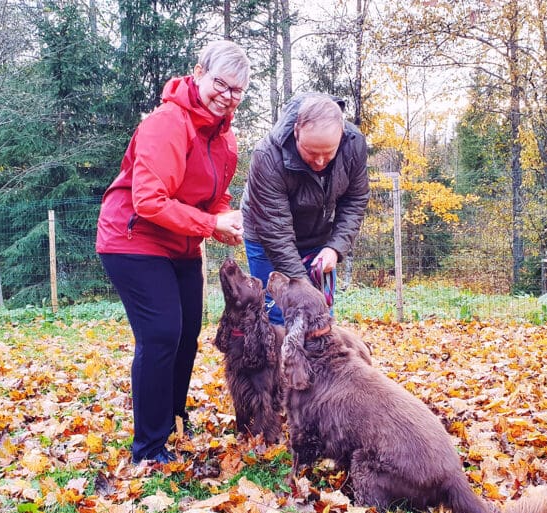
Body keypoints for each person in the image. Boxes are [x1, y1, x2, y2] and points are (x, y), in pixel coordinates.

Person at [96, 40, 249, 465]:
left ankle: (174, 417)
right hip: (132, 237)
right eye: (220, 83)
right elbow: (149, 201)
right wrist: (209, 224)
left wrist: (223, 221)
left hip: (181, 243)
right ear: (198, 73)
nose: (227, 95)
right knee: (161, 333)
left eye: (237, 90)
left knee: (187, 336)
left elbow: (212, 199)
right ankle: (148, 447)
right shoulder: (167, 122)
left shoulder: (226, 140)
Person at [240, 93, 370, 324]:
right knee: (279, 316)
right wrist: (302, 287)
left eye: (328, 153)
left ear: (341, 134)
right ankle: (278, 360)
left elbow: (355, 199)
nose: (320, 162)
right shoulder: (267, 156)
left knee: (320, 318)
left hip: (318, 238)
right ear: (296, 132)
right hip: (267, 239)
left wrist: (335, 248)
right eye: (311, 153)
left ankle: (317, 361)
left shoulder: (354, 144)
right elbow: (276, 232)